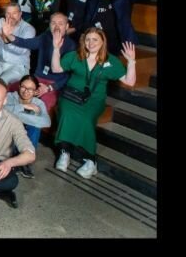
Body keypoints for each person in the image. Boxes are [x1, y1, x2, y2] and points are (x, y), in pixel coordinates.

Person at [51, 27, 136, 178]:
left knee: (85, 120)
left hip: (94, 100)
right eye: (88, 39)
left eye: (95, 39)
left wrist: (131, 61)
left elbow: (130, 81)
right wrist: (56, 48)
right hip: (71, 96)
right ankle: (65, 152)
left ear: (103, 41)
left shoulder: (111, 61)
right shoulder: (75, 56)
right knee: (67, 114)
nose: (91, 43)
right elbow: (56, 69)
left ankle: (90, 160)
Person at [5, 75, 51, 178]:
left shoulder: (38, 103)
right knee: (19, 122)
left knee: (35, 128)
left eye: (30, 89)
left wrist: (18, 114)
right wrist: (23, 106)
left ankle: (25, 160)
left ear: (35, 91)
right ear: (19, 86)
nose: (26, 91)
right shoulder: (10, 97)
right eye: (23, 87)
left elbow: (46, 122)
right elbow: (1, 109)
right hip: (8, 134)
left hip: (26, 137)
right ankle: (15, 158)